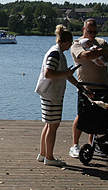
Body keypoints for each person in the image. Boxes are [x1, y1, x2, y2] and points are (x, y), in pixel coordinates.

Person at [69, 18, 108, 158]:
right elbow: (85, 56)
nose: (92, 34)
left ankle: (92, 144)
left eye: (95, 32)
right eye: (90, 31)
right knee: (82, 115)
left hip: (103, 86)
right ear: (84, 29)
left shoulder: (102, 42)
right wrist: (101, 53)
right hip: (86, 87)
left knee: (98, 116)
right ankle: (74, 145)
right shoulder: (76, 44)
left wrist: (103, 51)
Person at [35, 25, 81, 167]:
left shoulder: (58, 53)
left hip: (48, 93)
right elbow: (48, 73)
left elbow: (64, 74)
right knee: (53, 126)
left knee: (49, 125)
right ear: (66, 41)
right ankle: (49, 157)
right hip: (51, 94)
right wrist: (65, 74)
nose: (71, 45)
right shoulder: (55, 53)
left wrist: (79, 85)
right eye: (71, 42)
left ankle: (43, 154)